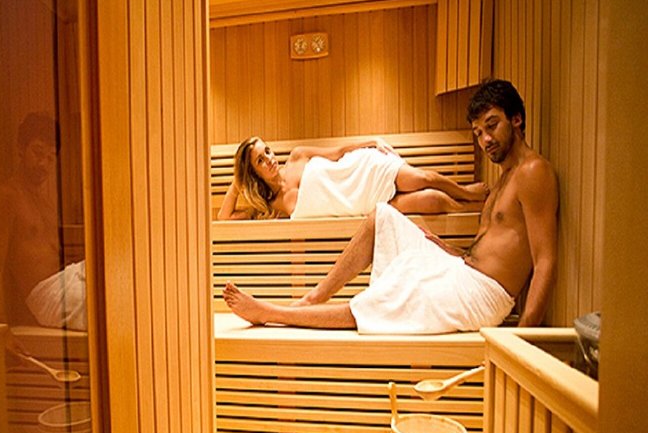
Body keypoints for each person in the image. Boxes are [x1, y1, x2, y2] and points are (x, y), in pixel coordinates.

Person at [223, 79, 558, 332]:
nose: (485, 140)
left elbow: (544, 260)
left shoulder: (533, 172)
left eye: (492, 126)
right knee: (382, 217)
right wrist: (451, 251)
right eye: (478, 132)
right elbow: (494, 247)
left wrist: (521, 340)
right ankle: (313, 297)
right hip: (463, 270)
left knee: (381, 303)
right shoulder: (505, 178)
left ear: (516, 119)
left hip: (481, 294)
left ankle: (275, 314)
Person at [0, 112, 87, 355]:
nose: (44, 164)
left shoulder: (46, 204)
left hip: (65, 281)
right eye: (38, 153)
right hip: (46, 297)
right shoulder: (7, 197)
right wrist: (2, 330)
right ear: (21, 149)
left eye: (50, 158)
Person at [217, 136, 489, 220]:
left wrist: (371, 143)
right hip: (361, 206)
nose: (269, 159)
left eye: (267, 151)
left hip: (363, 172)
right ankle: (473, 210)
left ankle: (467, 193)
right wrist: (237, 183)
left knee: (424, 177)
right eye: (260, 161)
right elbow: (224, 218)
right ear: (253, 173)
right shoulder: (271, 207)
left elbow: (337, 153)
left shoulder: (298, 157)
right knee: (431, 201)